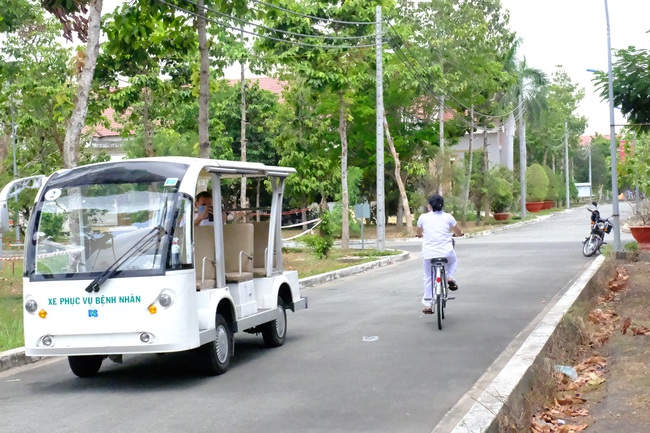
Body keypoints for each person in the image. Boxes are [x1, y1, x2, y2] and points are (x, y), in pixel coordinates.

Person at [416, 194, 463, 314]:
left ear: (429, 206)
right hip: (446, 252)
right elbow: (458, 231)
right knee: (453, 261)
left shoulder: (423, 218)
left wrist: (420, 235)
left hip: (428, 254)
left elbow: (419, 231)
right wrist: (459, 234)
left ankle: (428, 304)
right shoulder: (448, 217)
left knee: (428, 277)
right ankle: (450, 277)